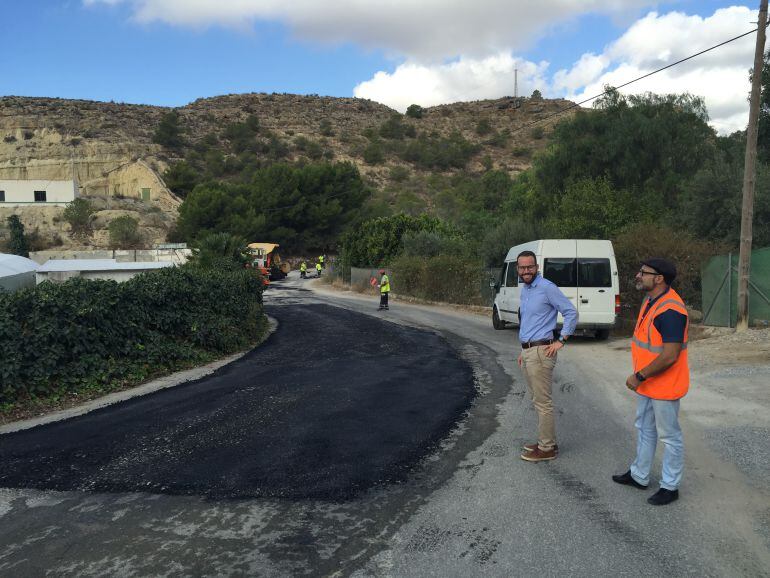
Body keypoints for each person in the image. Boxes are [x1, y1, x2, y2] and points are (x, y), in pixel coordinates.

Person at [613, 258, 689, 506]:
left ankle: (670, 486)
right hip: (648, 383)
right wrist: (642, 377)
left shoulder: (671, 310)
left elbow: (670, 355)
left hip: (663, 386)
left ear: (659, 278)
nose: (638, 275)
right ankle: (639, 475)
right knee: (644, 428)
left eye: (643, 273)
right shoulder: (651, 300)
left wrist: (639, 376)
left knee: (669, 436)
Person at [516, 250, 577, 462]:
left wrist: (562, 340)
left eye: (530, 267)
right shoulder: (525, 290)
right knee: (537, 400)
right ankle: (545, 440)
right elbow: (529, 322)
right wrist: (523, 350)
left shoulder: (547, 288)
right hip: (529, 351)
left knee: (543, 402)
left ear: (537, 267)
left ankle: (547, 448)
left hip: (542, 352)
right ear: (518, 269)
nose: (526, 271)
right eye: (522, 267)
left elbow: (571, 312)